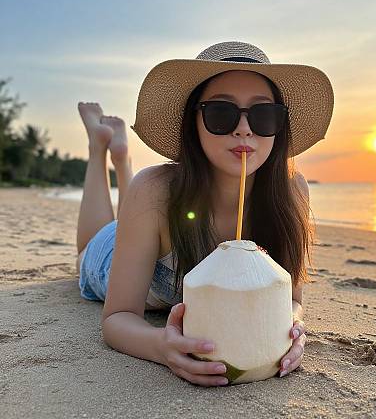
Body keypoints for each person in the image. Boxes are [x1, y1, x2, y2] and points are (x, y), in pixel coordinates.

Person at [76, 41, 334, 387]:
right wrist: (160, 346)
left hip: (141, 222)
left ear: (280, 125)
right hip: (118, 251)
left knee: (132, 210)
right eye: (221, 113)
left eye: (263, 115)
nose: (244, 129)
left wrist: (293, 330)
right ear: (192, 122)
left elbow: (292, 301)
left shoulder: (292, 192)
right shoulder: (154, 189)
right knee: (84, 253)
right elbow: (118, 318)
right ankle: (101, 150)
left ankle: (121, 159)